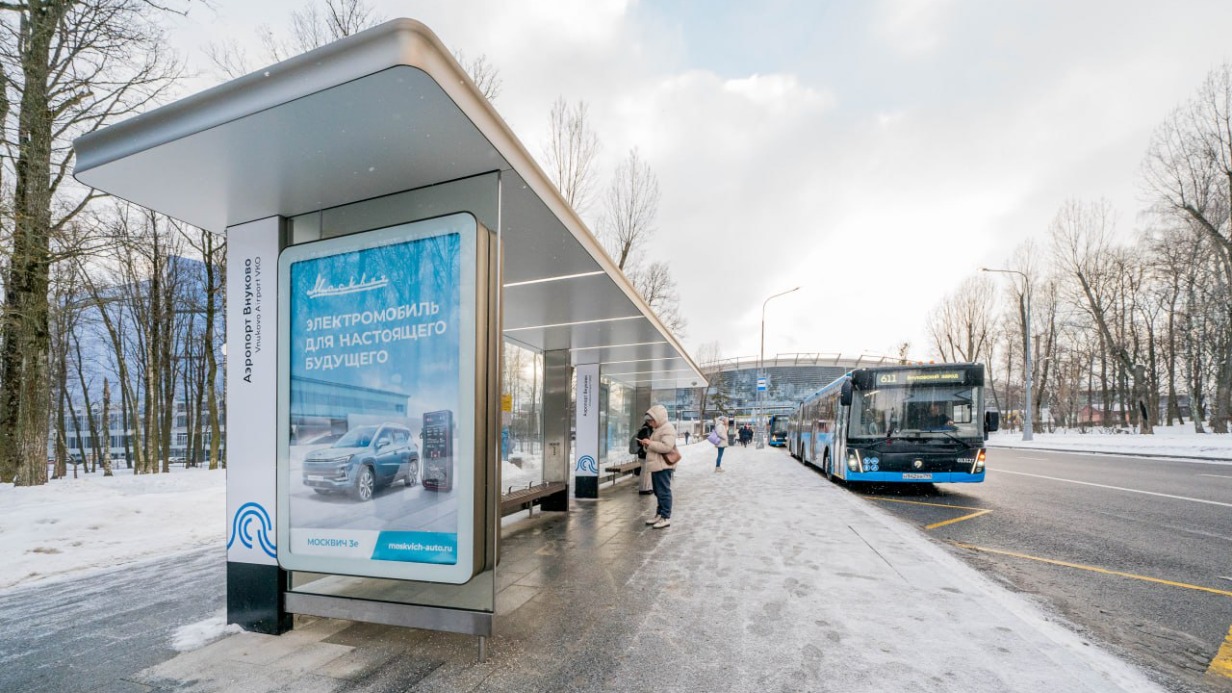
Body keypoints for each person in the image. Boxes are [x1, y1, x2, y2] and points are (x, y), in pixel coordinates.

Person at [639, 404, 678, 529]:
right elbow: (653, 448)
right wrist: (646, 445)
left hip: (663, 466)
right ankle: (660, 514)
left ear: (659, 418)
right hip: (657, 465)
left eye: (651, 421)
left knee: (664, 492)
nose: (650, 424)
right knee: (658, 491)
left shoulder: (667, 428)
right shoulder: (659, 429)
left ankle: (666, 517)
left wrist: (649, 443)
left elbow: (666, 447)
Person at [634, 413, 655, 495]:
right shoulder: (645, 429)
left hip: (645, 453)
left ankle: (647, 488)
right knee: (645, 472)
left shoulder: (648, 429)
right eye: (651, 421)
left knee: (647, 471)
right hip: (644, 454)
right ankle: (643, 489)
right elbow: (644, 441)